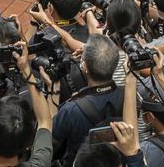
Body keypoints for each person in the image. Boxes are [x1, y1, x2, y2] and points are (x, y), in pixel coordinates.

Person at [52, 36, 123, 165]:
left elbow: (50, 142)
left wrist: (54, 92)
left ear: (84, 66)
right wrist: (94, 53)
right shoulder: (128, 97)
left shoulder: (71, 109)